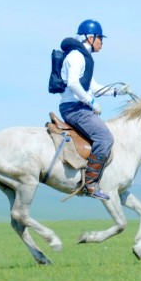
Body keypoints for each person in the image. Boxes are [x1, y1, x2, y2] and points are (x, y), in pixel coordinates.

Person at [58, 19, 132, 200]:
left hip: (79, 106)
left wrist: (116, 91)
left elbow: (94, 87)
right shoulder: (76, 56)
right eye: (100, 38)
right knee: (104, 138)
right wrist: (90, 101)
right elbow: (74, 83)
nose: (102, 42)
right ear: (90, 37)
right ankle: (90, 184)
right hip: (75, 108)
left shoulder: (84, 57)